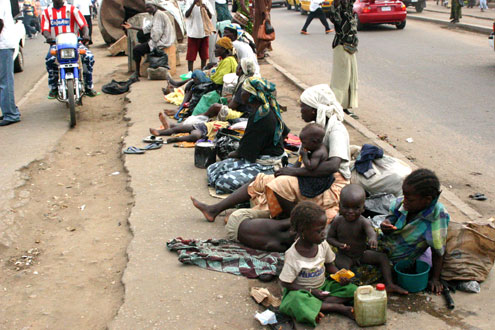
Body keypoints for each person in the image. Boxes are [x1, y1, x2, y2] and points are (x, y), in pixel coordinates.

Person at [191, 84, 350, 222]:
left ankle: (288, 222)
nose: (300, 109)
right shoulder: (316, 127)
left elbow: (333, 165)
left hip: (332, 183)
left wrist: (294, 172)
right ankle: (214, 210)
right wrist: (291, 171)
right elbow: (303, 159)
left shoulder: (336, 130)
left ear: (315, 110)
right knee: (260, 180)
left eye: (303, 106)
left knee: (277, 185)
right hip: (313, 175)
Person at [193, 76, 288, 199]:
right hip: (259, 158)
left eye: (243, 91)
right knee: (213, 168)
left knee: (222, 181)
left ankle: (263, 183)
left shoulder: (260, 115)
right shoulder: (266, 109)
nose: (241, 94)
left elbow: (245, 152)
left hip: (267, 165)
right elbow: (284, 132)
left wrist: (232, 155)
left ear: (250, 95)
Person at [279, 202, 357, 326]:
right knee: (296, 300)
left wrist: (339, 275)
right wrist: (310, 291)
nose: (324, 233)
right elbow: (286, 283)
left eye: (324, 228)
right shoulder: (293, 255)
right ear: (302, 231)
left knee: (352, 289)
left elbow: (329, 265)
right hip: (303, 291)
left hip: (323, 287)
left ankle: (317, 306)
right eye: (318, 231)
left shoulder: (322, 244)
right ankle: (337, 307)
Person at [327, 184, 409, 295]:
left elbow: (371, 233)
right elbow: (330, 238)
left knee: (383, 258)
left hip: (361, 254)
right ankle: (349, 288)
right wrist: (339, 244)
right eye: (346, 207)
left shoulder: (363, 221)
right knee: (342, 269)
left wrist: (372, 240)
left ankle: (389, 284)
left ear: (363, 208)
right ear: (339, 206)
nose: (350, 211)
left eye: (356, 208)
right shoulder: (338, 221)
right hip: (345, 255)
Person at [379, 169, 450, 294]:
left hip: (399, 256)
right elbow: (393, 215)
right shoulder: (406, 204)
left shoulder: (436, 216)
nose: (404, 201)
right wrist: (387, 223)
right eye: (404, 196)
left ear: (427, 200)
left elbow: (438, 250)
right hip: (385, 244)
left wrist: (435, 279)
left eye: (409, 199)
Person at [41, 0, 97, 98]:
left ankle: (88, 86)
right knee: (49, 60)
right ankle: (53, 87)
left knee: (88, 57)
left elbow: (83, 25)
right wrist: (48, 37)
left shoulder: (72, 9)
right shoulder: (46, 12)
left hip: (75, 44)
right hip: (57, 45)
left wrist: (86, 35)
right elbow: (45, 29)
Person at [122, 0, 175, 79]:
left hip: (161, 42)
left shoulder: (159, 16)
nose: (148, 10)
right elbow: (146, 28)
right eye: (146, 8)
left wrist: (149, 40)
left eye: (149, 7)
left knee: (136, 50)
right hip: (160, 39)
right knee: (141, 34)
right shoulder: (156, 15)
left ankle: (137, 72)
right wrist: (131, 27)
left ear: (155, 6)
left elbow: (156, 35)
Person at [328, 0, 359, 119]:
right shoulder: (337, 8)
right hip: (342, 46)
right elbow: (333, 17)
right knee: (340, 79)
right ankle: (335, 108)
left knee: (350, 78)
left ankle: (345, 107)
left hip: (351, 47)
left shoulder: (349, 9)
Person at [0, 0, 21, 126]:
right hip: (4, 45)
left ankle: (11, 114)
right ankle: (10, 110)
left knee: (5, 82)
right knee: (4, 81)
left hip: (3, 45)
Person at [184, 0, 214, 72]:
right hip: (193, 33)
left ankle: (203, 71)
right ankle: (190, 72)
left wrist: (206, 8)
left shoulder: (206, 2)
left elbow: (210, 16)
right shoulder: (189, 2)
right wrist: (193, 4)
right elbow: (186, 15)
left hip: (204, 33)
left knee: (204, 56)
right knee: (191, 56)